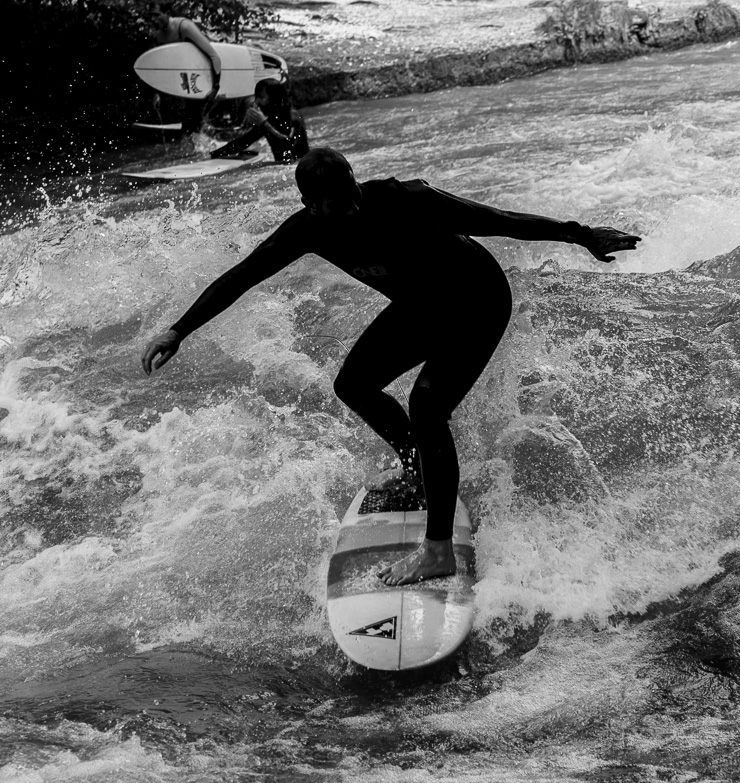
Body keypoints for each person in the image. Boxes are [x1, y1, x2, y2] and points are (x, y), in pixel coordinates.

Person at [140, 147, 641, 584]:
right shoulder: (307, 231)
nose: (353, 208)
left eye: (353, 192)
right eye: (338, 204)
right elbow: (243, 274)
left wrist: (580, 235)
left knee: (426, 406)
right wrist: (178, 329)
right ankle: (419, 468)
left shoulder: (405, 199)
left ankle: (438, 551)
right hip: (423, 307)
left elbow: (497, 219)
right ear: (311, 207)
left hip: (478, 299)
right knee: (354, 384)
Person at [148, 1, 222, 134]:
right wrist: (157, 91)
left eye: (157, 15)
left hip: (206, 74)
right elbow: (160, 67)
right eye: (151, 16)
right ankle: (197, 145)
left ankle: (202, 146)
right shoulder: (159, 37)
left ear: (168, 13)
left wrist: (216, 87)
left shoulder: (184, 27)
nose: (153, 20)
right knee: (189, 123)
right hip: (187, 79)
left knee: (193, 122)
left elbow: (214, 56)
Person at [211, 79, 309, 163]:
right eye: (256, 96)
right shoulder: (269, 119)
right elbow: (243, 142)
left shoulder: (293, 116)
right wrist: (214, 154)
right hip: (282, 167)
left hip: (299, 167)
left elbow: (288, 143)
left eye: (262, 97)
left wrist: (263, 123)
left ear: (274, 99)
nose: (256, 101)